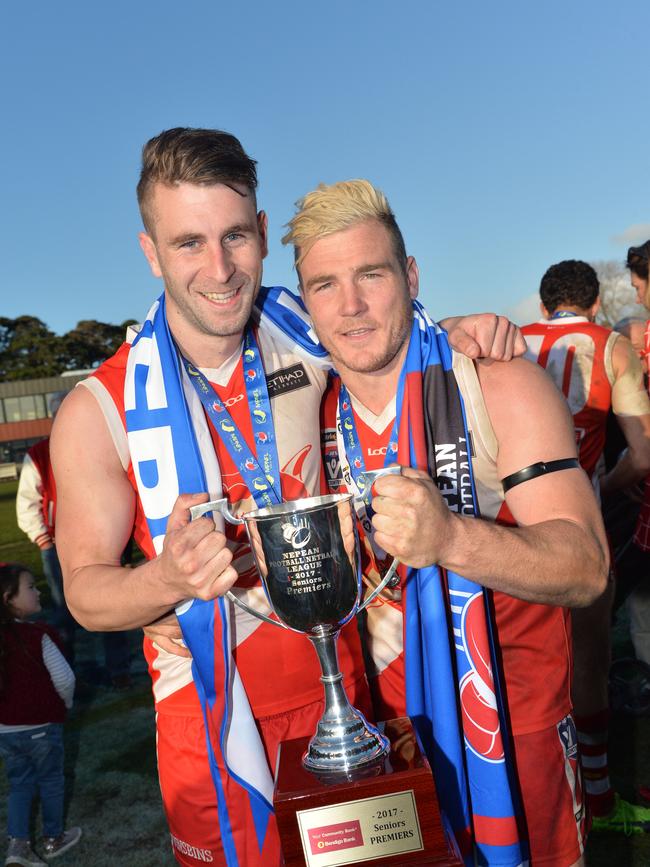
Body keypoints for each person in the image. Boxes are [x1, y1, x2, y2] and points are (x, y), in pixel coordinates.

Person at [50, 128, 523, 867]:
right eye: (188, 243)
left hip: (352, 697)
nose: (218, 269)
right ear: (150, 251)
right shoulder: (100, 408)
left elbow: (386, 329)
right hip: (213, 723)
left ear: (264, 233)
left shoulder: (304, 329)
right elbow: (84, 592)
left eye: (235, 236)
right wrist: (167, 579)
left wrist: (453, 329)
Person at [281, 179, 610, 866]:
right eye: (324, 285)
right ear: (305, 303)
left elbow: (586, 566)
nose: (351, 305)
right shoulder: (310, 416)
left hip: (514, 750)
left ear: (409, 275)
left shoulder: (497, 384)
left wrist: (452, 537)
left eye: (371, 274)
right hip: (390, 750)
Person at [521, 259, 650, 834]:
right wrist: (603, 485)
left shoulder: (509, 339)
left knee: (519, 666)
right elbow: (644, 456)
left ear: (543, 305)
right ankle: (595, 799)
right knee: (589, 664)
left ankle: (529, 799)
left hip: (511, 526)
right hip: (578, 525)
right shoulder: (611, 345)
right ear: (595, 303)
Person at [0, 563, 81, 867]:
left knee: (19, 784)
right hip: (42, 727)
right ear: (9, 598)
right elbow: (65, 679)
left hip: (6, 731)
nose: (38, 591)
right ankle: (53, 838)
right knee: (50, 781)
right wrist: (66, 704)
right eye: (31, 587)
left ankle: (17, 847)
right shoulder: (39, 635)